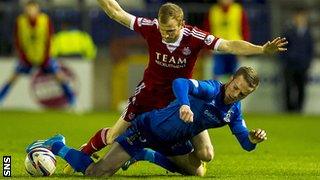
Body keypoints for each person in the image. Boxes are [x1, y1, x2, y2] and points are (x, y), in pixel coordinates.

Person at [63, 0, 286, 173]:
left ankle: (144, 152)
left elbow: (228, 44)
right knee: (112, 136)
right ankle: (83, 151)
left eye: (170, 31)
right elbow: (116, 12)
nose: (165, 35)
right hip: (149, 95)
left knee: (206, 155)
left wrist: (261, 49)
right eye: (162, 30)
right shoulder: (151, 27)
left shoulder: (195, 37)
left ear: (181, 24)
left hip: (182, 100)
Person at [27, 66, 267, 177]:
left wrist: (252, 140)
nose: (236, 94)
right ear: (232, 79)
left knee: (202, 165)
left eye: (243, 93)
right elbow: (180, 83)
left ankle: (145, 156)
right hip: (147, 129)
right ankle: (57, 144)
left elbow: (245, 144)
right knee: (95, 173)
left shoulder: (233, 112)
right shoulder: (210, 89)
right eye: (236, 87)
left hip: (178, 137)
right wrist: (184, 103)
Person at [0, 0, 75, 107]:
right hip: (27, 58)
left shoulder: (44, 20)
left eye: (33, 8)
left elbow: (50, 39)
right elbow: (17, 40)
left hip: (44, 58)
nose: (31, 11)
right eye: (29, 8)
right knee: (12, 78)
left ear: (37, 9)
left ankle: (72, 101)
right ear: (25, 9)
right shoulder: (20, 21)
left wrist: (46, 57)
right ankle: (0, 99)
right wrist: (22, 57)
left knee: (59, 76)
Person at [204, 0, 250, 80]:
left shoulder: (238, 10)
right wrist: (207, 48)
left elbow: (244, 29)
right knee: (216, 77)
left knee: (236, 77)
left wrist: (244, 49)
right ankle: (218, 92)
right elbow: (207, 30)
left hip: (235, 49)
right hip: (218, 49)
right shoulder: (213, 11)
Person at [279, 7, 314, 113]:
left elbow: (310, 50)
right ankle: (289, 109)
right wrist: (284, 61)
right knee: (288, 88)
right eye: (298, 17)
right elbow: (282, 47)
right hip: (290, 65)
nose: (300, 19)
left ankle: (299, 109)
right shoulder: (288, 32)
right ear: (295, 18)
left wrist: (307, 63)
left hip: (302, 66)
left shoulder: (308, 34)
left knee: (301, 88)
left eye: (302, 17)